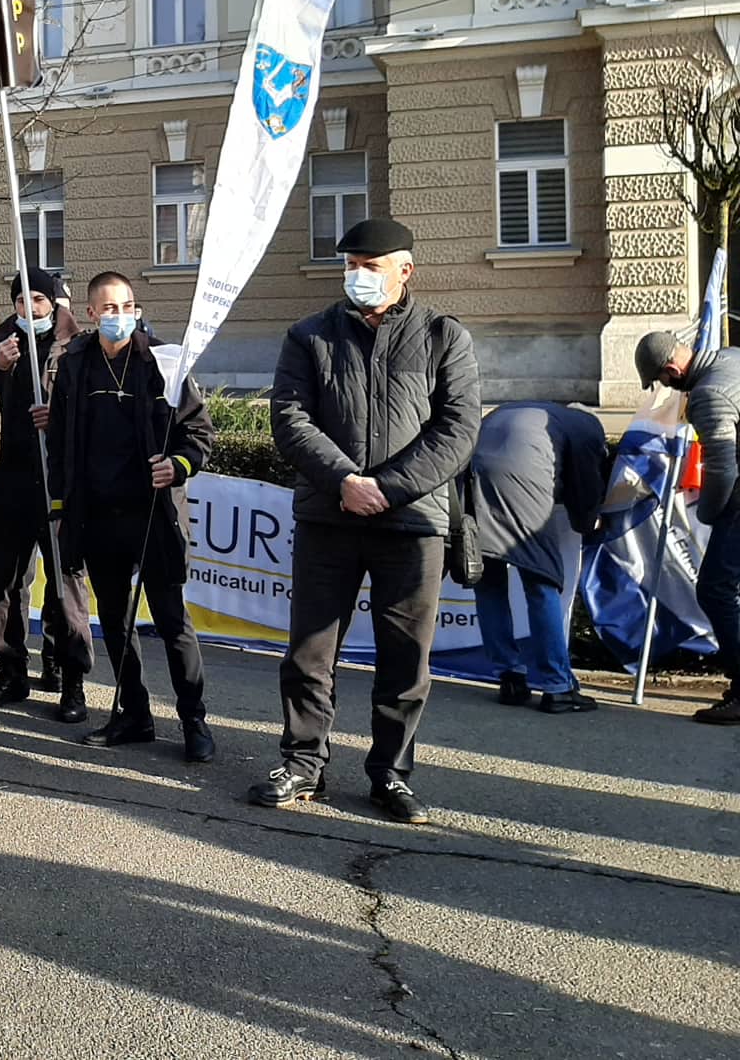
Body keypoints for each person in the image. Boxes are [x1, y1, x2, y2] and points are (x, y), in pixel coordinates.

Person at [254, 219, 480, 824]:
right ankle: (303, 764)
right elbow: (290, 419)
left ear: (405, 271)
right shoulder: (309, 335)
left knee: (406, 656)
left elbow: (458, 430)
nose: (358, 275)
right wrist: (346, 483)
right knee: (309, 649)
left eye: (371, 266)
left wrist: (385, 489)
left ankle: (391, 774)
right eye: (351, 264)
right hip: (330, 515)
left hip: (412, 523)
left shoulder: (443, 336)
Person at [48, 271, 217, 761]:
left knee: (171, 620)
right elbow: (59, 442)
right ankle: (133, 714)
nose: (118, 316)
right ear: (90, 313)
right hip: (96, 516)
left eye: (126, 306)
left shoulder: (164, 361)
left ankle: (194, 720)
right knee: (114, 619)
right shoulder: (76, 363)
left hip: (153, 516)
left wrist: (177, 465)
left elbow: (199, 435)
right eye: (107, 308)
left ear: (136, 309)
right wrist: (61, 506)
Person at [0, 268, 92, 722]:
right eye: (21, 300)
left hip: (56, 482)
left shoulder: (77, 349)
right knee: (5, 581)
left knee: (64, 583)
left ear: (56, 304)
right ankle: (9, 666)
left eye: (37, 300)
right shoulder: (1, 345)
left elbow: (88, 413)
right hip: (7, 481)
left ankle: (68, 673)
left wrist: (55, 420)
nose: (29, 308)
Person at [469, 402, 610, 715]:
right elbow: (586, 487)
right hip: (524, 477)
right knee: (541, 581)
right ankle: (557, 687)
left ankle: (510, 678)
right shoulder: (589, 430)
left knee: (489, 580)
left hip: (473, 474)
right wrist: (592, 523)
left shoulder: (538, 411)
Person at [637, 327, 740, 724]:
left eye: (660, 380)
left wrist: (709, 513)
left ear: (671, 369)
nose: (664, 387)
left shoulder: (709, 395)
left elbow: (724, 468)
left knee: (715, 588)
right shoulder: (731, 358)